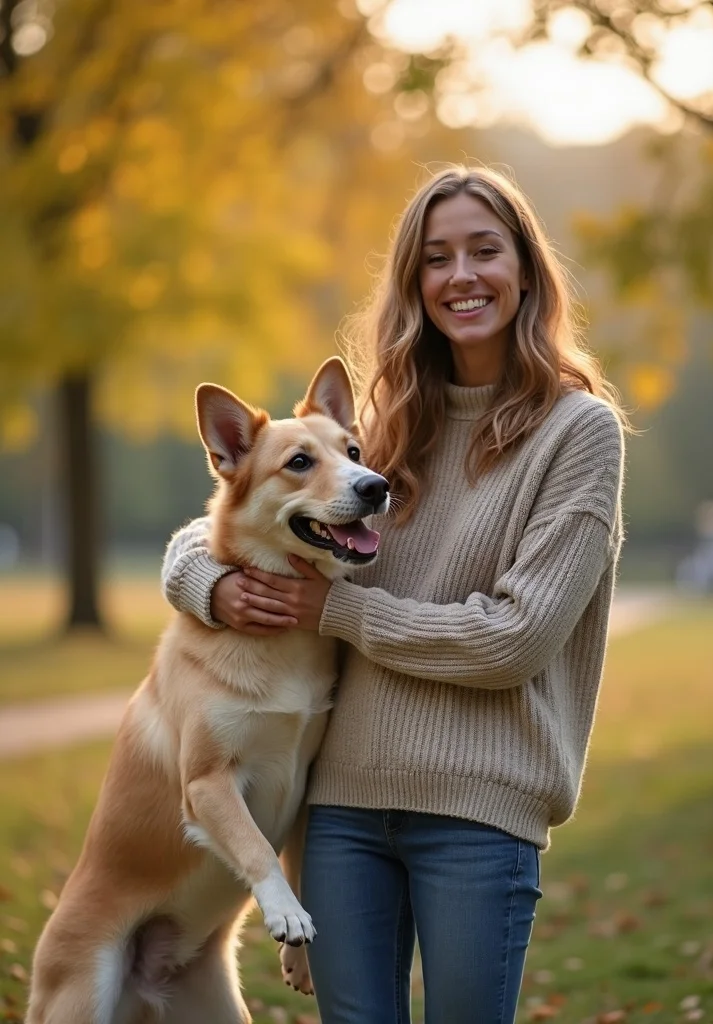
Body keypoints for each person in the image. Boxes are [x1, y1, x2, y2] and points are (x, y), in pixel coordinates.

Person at [162, 165, 626, 1024]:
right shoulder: (382, 422)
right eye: (436, 258)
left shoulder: (579, 433)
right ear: (415, 282)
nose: (462, 277)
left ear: (526, 270)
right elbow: (241, 505)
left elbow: (513, 639)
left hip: (477, 815)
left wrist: (333, 609)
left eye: (485, 251)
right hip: (339, 816)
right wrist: (206, 581)